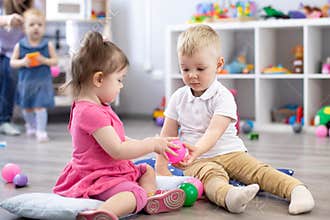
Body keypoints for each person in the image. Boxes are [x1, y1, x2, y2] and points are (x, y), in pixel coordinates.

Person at [155, 24, 315, 215]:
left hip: (230, 151)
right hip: (196, 161)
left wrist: (197, 149)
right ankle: (230, 196)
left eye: (200, 68)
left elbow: (215, 130)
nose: (192, 75)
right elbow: (167, 135)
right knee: (210, 178)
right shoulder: (177, 98)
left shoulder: (223, 96)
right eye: (185, 68)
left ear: (219, 65)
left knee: (258, 171)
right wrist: (161, 166)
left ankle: (296, 190)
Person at [53, 31, 185, 220]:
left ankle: (152, 199)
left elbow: (118, 139)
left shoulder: (95, 107)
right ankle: (103, 213)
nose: (121, 86)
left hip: (108, 170)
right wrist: (151, 145)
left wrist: (150, 141)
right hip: (97, 176)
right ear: (98, 79)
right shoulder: (90, 112)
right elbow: (117, 150)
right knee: (133, 192)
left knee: (146, 171)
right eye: (119, 80)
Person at [10, 8, 57, 142]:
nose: (36, 27)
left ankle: (41, 131)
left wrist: (44, 60)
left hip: (42, 82)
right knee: (27, 108)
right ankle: (31, 125)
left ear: (44, 27)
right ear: (24, 28)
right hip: (26, 82)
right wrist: (23, 62)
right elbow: (13, 62)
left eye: (39, 25)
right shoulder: (20, 45)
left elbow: (55, 61)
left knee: (40, 106)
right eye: (32, 25)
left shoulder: (47, 45)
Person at [0, 0, 34, 135]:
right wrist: (7, 20)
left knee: (10, 76)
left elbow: (38, 24)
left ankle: (4, 120)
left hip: (14, 52)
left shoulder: (32, 5)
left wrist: (30, 24)